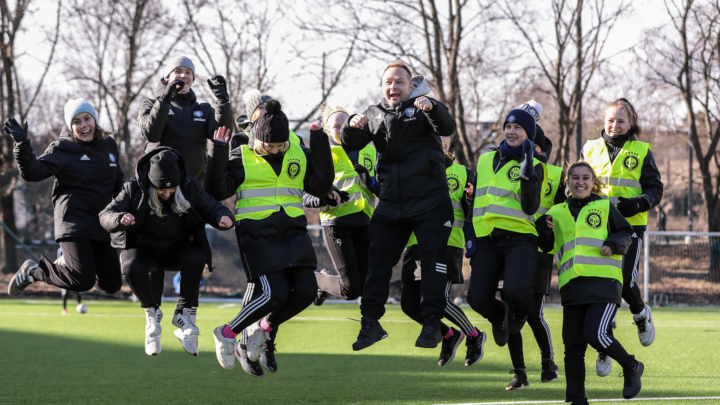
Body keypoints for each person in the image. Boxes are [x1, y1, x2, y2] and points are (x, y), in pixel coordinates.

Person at [205, 100, 333, 377]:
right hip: (257, 234)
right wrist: (217, 151)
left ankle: (263, 330)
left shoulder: (299, 151)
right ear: (256, 138)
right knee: (275, 293)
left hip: (294, 231)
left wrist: (320, 143)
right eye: (268, 145)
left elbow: (320, 186)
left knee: (308, 292)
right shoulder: (241, 156)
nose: (274, 150)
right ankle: (226, 333)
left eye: (279, 145)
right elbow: (216, 190)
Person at [341, 61, 456, 351]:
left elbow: (447, 124)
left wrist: (432, 107)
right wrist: (351, 125)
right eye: (388, 82)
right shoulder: (374, 113)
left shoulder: (423, 108)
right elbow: (349, 141)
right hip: (392, 203)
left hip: (430, 200)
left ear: (410, 84)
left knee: (432, 261)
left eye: (400, 82)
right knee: (377, 262)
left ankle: (432, 324)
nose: (393, 86)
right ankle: (370, 323)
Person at [536, 161, 643, 404]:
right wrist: (542, 228)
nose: (580, 182)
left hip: (604, 284)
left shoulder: (605, 205)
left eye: (586, 178)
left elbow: (626, 232)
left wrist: (614, 244)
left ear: (593, 182)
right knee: (573, 347)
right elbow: (547, 246)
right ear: (568, 182)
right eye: (575, 178)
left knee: (595, 334)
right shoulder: (557, 211)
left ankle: (631, 365)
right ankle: (576, 399)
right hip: (572, 286)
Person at [137, 55, 234, 310]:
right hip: (156, 192)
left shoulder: (202, 109)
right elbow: (151, 133)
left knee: (195, 254)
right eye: (178, 71)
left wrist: (223, 102)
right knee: (154, 259)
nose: (184, 76)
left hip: (190, 194)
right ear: (168, 76)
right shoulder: (150, 103)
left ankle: (187, 313)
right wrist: (166, 97)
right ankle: (153, 314)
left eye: (188, 72)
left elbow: (223, 134)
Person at [5, 99, 124, 297]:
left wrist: (124, 205)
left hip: (102, 222)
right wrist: (22, 144)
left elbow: (118, 180)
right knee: (82, 280)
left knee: (112, 284)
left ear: (94, 119)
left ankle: (70, 264)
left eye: (87, 118)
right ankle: (33, 272)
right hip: (74, 221)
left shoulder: (108, 145)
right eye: (77, 122)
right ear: (70, 126)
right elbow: (33, 173)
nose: (84, 125)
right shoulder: (62, 148)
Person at [581, 98, 663, 375]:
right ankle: (604, 345)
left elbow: (655, 189)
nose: (615, 125)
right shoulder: (589, 148)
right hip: (596, 230)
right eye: (610, 120)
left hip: (630, 229)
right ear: (603, 122)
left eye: (621, 121)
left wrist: (638, 203)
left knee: (625, 283)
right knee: (602, 290)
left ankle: (640, 313)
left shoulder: (641, 150)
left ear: (631, 123)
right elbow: (580, 183)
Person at [463, 101, 548, 353]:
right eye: (508, 126)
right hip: (486, 239)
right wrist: (470, 235)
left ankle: (516, 317)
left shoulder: (537, 165)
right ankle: (499, 315)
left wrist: (528, 173)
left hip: (520, 238)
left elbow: (531, 207)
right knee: (476, 298)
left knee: (518, 293)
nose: (511, 131)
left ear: (529, 135)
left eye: (518, 127)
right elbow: (476, 200)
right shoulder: (485, 159)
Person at [400, 135, 487, 367]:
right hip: (415, 243)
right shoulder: (411, 169)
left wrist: (473, 241)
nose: (437, 143)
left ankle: (474, 336)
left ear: (451, 146)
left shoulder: (464, 173)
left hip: (448, 243)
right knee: (409, 305)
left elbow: (473, 212)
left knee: (440, 301)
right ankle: (450, 335)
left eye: (443, 140)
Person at [503, 120, 562, 388]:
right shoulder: (507, 168)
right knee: (509, 312)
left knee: (534, 313)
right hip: (510, 249)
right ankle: (519, 372)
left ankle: (548, 363)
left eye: (536, 146)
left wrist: (551, 226)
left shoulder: (556, 174)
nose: (532, 151)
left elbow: (563, 213)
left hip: (539, 252)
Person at [302, 105, 380, 306]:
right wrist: (325, 198)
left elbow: (384, 189)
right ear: (327, 130)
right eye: (336, 126)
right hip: (337, 224)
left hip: (365, 223)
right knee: (350, 289)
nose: (341, 129)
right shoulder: (320, 153)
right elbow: (304, 196)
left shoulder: (370, 150)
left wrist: (371, 182)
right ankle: (317, 279)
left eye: (344, 124)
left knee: (364, 285)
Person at [56, 248, 85, 315]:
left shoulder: (73, 248)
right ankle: (64, 308)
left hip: (75, 273)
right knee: (65, 292)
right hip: (65, 274)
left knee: (78, 290)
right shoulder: (60, 250)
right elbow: (59, 261)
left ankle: (78, 304)